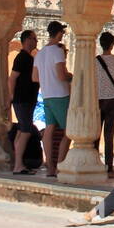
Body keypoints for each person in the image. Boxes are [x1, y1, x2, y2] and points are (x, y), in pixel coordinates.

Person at [36, 20, 73, 176]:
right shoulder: (57, 51)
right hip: (60, 94)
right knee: (68, 131)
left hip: (47, 94)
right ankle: (59, 164)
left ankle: (50, 166)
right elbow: (60, 74)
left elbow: (34, 77)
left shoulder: (40, 52)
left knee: (49, 130)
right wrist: (70, 76)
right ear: (59, 33)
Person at [94, 31, 114, 178]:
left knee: (96, 134)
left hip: (98, 100)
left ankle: (94, 164)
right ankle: (109, 167)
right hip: (113, 100)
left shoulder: (94, 61)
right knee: (109, 135)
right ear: (112, 45)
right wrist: (112, 89)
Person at [8, 29, 39, 175]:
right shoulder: (22, 58)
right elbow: (13, 77)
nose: (36, 41)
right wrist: (12, 95)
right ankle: (18, 165)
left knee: (21, 130)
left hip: (26, 100)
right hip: (23, 100)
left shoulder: (27, 57)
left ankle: (18, 164)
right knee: (26, 131)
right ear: (27, 40)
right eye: (34, 38)